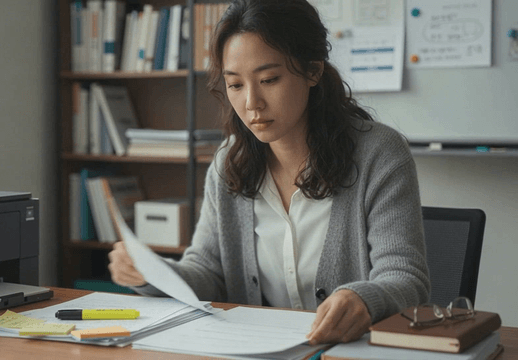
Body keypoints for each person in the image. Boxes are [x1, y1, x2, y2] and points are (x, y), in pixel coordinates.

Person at [109, 0, 430, 345]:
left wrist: (364, 299)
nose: (252, 103)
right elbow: (206, 271)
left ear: (313, 70)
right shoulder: (228, 162)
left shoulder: (379, 155)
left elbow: (406, 279)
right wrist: (153, 274)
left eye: (268, 79)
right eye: (235, 85)